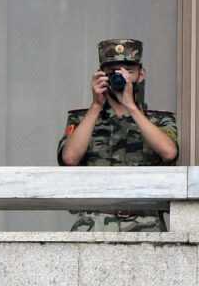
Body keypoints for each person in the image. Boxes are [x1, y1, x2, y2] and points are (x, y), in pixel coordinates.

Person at [58, 39, 178, 232]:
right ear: (101, 75)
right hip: (94, 223)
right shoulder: (82, 118)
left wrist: (131, 106)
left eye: (128, 70)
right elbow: (70, 158)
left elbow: (169, 153)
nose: (121, 76)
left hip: (146, 224)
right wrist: (96, 105)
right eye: (113, 70)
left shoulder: (158, 120)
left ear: (141, 74)